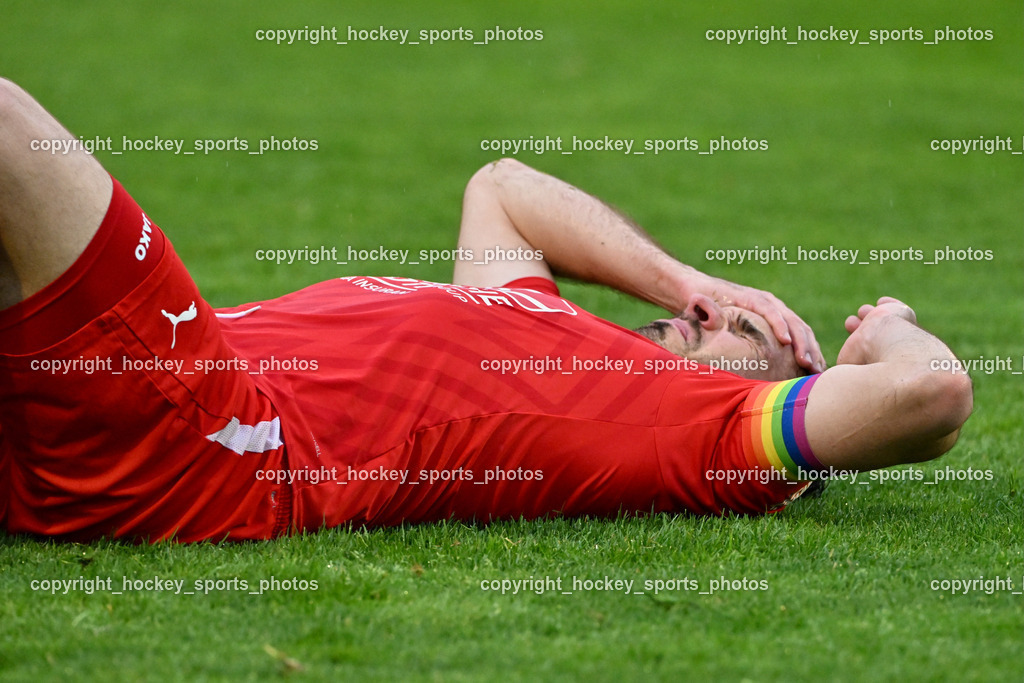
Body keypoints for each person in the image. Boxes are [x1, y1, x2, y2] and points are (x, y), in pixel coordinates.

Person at [0, 78, 972, 543]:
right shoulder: (544, 331)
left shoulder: (706, 433)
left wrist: (879, 329)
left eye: (748, 335)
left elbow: (929, 393)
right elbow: (501, 185)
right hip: (96, 408)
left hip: (205, 432)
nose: (718, 321)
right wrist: (689, 281)